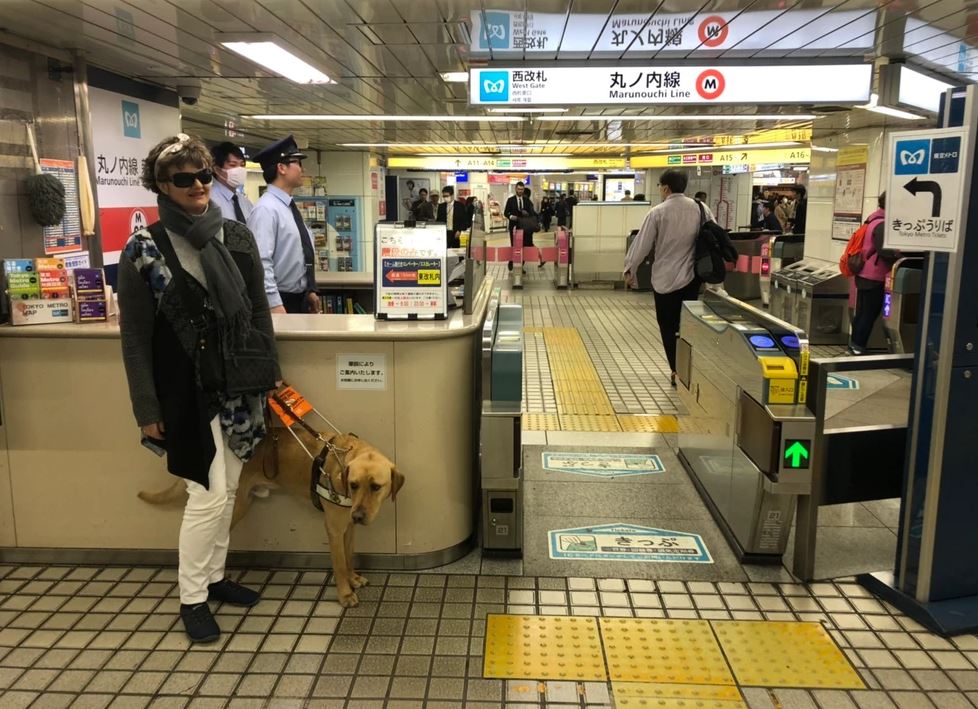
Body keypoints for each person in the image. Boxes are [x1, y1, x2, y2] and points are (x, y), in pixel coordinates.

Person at [118, 133, 279, 643]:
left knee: (229, 486)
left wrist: (269, 373)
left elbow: (255, 312)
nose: (197, 186)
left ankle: (214, 579)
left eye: (203, 176)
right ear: (162, 186)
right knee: (206, 493)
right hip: (184, 388)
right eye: (183, 179)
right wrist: (146, 406)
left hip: (238, 381)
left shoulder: (235, 236)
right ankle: (192, 598)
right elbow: (136, 337)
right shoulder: (144, 249)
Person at [624, 169, 714, 388]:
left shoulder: (658, 212)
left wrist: (630, 269)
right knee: (688, 326)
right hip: (693, 278)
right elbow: (715, 235)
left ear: (665, 187)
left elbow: (642, 244)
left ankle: (675, 369)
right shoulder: (701, 208)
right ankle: (688, 367)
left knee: (667, 325)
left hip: (664, 280)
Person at [247, 135, 321, 315]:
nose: (302, 169)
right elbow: (261, 262)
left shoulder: (287, 207)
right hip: (280, 302)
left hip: (299, 298)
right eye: (297, 162)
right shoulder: (266, 210)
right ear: (281, 168)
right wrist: (274, 304)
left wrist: (309, 290)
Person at [849, 193, 891, 355]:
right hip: (875, 275)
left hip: (863, 272)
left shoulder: (872, 219)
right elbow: (884, 251)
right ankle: (858, 346)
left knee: (862, 312)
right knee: (869, 313)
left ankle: (854, 344)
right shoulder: (883, 224)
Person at [210, 142, 252, 223]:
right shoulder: (210, 201)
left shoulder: (245, 202)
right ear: (217, 170)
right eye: (233, 165)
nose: (239, 170)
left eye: (242, 165)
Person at [503, 181, 538, 271]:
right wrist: (511, 217)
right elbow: (506, 213)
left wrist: (527, 213)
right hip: (514, 227)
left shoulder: (527, 201)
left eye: (522, 189)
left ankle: (519, 266)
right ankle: (512, 262)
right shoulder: (511, 200)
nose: (520, 191)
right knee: (515, 246)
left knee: (523, 246)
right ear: (516, 189)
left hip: (524, 227)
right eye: (518, 189)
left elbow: (532, 213)